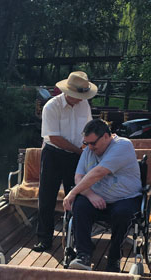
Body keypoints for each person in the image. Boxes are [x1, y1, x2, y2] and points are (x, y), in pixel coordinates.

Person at [63, 119, 143, 271]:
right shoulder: (88, 151)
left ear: (106, 136)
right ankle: (83, 256)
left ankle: (114, 259)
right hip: (97, 198)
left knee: (122, 214)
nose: (89, 147)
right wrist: (91, 194)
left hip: (125, 198)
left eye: (93, 143)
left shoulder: (123, 145)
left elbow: (99, 172)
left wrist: (72, 193)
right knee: (80, 205)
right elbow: (78, 178)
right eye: (86, 143)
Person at [33, 71, 96, 252]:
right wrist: (80, 151)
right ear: (67, 92)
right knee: (47, 197)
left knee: (76, 197)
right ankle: (44, 239)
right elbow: (54, 138)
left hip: (77, 155)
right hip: (53, 153)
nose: (80, 99)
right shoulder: (51, 106)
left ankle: (78, 239)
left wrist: (90, 147)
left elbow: (89, 129)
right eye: (78, 95)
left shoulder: (84, 105)